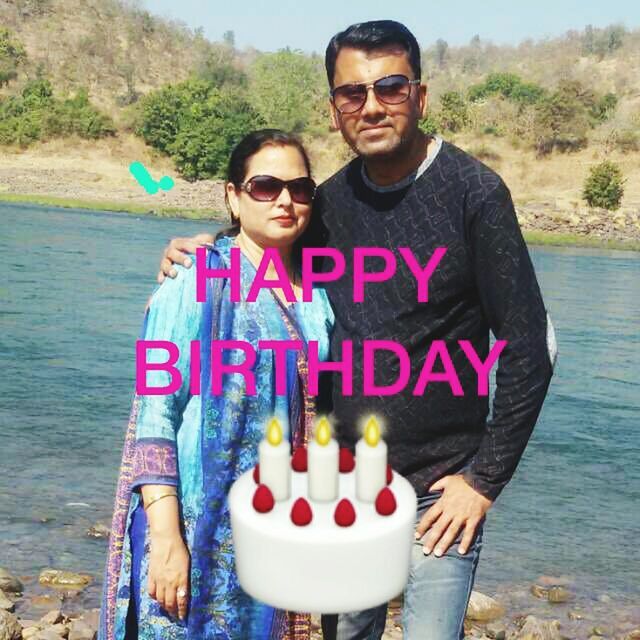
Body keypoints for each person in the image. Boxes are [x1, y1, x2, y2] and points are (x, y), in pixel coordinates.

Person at [157, 20, 556, 640]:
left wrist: (484, 481)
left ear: (419, 97)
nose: (372, 106)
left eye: (390, 87)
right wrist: (202, 249)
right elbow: (267, 245)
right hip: (340, 485)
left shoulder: (475, 194)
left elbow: (532, 347)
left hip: (438, 494)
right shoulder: (329, 202)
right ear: (335, 108)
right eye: (353, 93)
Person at [99, 129, 334, 640]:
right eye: (266, 186)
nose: (286, 201)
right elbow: (157, 411)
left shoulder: (319, 297)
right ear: (233, 195)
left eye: (300, 188)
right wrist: (165, 537)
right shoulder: (194, 277)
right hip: (189, 528)